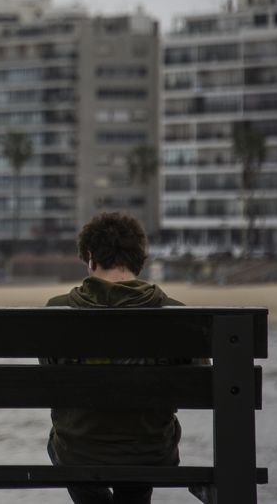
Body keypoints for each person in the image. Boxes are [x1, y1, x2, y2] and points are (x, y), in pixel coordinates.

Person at [45, 211, 203, 504]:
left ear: (90, 256)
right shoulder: (179, 316)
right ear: (139, 259)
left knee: (62, 446)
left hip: (79, 451)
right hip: (152, 453)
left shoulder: (56, 311)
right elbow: (199, 379)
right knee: (143, 445)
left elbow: (49, 372)